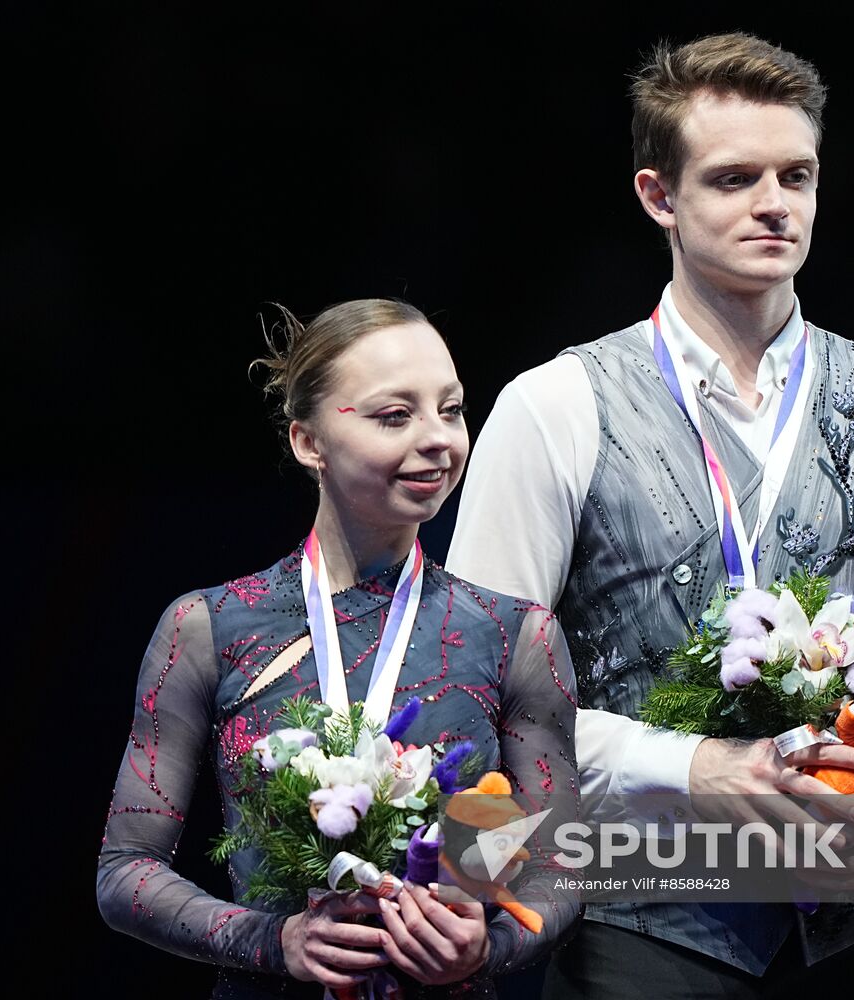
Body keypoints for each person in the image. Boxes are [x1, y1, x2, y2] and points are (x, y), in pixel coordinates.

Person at [446, 32, 854, 997]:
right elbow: (474, 698)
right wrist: (693, 770)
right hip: (635, 930)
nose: (774, 203)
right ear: (658, 197)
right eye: (733, 178)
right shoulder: (555, 409)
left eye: (794, 174)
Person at [97, 299, 580, 999]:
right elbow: (125, 872)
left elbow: (562, 868)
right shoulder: (210, 629)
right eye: (395, 416)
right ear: (307, 442)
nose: (439, 438)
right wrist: (274, 939)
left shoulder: (514, 635)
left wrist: (486, 944)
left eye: (451, 409)